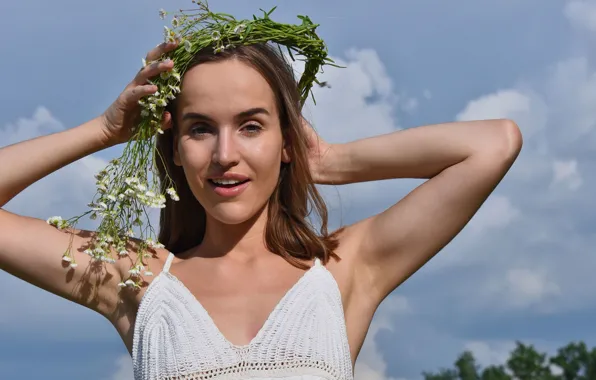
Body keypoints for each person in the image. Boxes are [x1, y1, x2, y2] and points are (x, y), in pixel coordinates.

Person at [0, 39, 522, 379]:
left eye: (251, 126)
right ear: (175, 148)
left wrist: (331, 162)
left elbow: (494, 143)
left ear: (286, 141)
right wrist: (105, 130)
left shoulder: (344, 271)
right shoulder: (137, 279)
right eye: (200, 128)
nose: (225, 154)